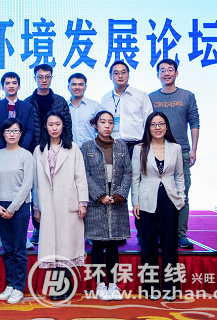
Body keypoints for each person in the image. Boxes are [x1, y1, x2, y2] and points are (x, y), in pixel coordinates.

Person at [33, 110, 88, 301]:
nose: (54, 128)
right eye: (50, 124)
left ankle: (64, 286)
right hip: (47, 203)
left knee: (66, 246)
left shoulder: (73, 148)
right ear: (45, 127)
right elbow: (36, 182)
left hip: (68, 202)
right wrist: (37, 207)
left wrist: (82, 202)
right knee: (52, 247)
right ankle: (58, 287)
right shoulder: (39, 150)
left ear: (63, 126)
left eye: (57, 124)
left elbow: (80, 177)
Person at [131, 112, 185, 301]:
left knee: (170, 245)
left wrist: (182, 197)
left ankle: (171, 287)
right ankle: (151, 287)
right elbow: (135, 178)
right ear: (148, 128)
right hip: (147, 200)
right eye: (153, 124)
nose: (157, 127)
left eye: (161, 123)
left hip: (170, 199)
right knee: (149, 245)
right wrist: (135, 202)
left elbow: (179, 175)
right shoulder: (139, 149)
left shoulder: (175, 148)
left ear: (167, 126)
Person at [149, 59, 199, 250]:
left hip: (181, 151)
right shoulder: (151, 98)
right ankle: (158, 234)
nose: (166, 73)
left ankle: (180, 234)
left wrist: (193, 149)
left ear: (176, 73)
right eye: (162, 70)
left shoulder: (187, 96)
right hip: (156, 152)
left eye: (170, 70)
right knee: (157, 195)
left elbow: (194, 122)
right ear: (158, 75)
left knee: (181, 194)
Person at [81, 111, 132, 301]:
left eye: (110, 122)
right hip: (97, 203)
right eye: (102, 122)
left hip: (116, 202)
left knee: (113, 246)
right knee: (97, 245)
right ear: (95, 125)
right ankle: (100, 285)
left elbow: (128, 172)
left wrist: (119, 195)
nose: (107, 125)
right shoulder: (87, 147)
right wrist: (100, 195)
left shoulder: (121, 146)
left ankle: (113, 284)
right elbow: (84, 173)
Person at [25, 64, 72, 247]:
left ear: (51, 78)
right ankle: (38, 227)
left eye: (47, 76)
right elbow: (26, 129)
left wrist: (67, 148)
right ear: (35, 78)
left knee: (59, 188)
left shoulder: (60, 101)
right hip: (36, 150)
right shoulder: (28, 102)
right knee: (37, 190)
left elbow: (67, 126)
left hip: (58, 149)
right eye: (40, 76)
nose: (44, 80)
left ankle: (60, 225)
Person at [0, 72, 34, 251]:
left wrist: (19, 147)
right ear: (2, 86)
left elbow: (29, 130)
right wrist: (5, 147)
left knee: (20, 190)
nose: (11, 86)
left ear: (19, 86)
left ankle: (23, 236)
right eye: (7, 83)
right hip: (1, 151)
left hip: (20, 152)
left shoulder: (27, 107)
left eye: (14, 83)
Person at [0, 118, 33, 305]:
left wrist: (12, 208)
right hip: (0, 207)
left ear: (21, 133)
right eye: (8, 131)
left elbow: (27, 185)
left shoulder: (26, 155)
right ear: (3, 134)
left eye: (15, 130)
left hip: (19, 207)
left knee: (19, 250)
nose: (11, 134)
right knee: (7, 249)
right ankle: (10, 284)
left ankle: (19, 287)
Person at [100, 61, 153, 157]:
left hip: (137, 145)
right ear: (110, 76)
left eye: (123, 72)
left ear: (128, 75)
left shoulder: (141, 95)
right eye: (116, 73)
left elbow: (149, 121)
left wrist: (148, 143)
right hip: (112, 146)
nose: (120, 76)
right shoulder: (105, 98)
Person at [68, 73, 102, 147]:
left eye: (80, 85)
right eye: (74, 84)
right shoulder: (63, 106)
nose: (77, 87)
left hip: (91, 148)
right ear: (68, 87)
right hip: (69, 148)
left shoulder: (95, 106)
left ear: (85, 87)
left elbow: (101, 129)